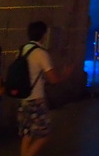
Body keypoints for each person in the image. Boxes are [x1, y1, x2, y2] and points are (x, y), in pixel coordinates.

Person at [18, 20, 72, 156]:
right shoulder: (41, 53)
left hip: (23, 99)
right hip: (36, 99)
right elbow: (53, 79)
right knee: (44, 134)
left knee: (27, 133)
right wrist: (66, 74)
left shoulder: (22, 50)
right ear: (43, 35)